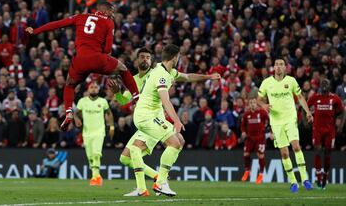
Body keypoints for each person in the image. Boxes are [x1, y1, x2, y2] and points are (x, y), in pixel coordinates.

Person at [109, 47, 220, 195]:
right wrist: (177, 120)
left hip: (149, 118)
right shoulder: (153, 76)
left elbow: (186, 77)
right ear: (175, 57)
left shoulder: (162, 71)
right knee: (176, 143)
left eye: (148, 57)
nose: (145, 60)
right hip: (148, 117)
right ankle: (161, 181)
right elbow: (164, 100)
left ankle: (144, 188)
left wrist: (208, 77)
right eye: (142, 57)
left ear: (152, 59)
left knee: (127, 156)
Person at [25, 1, 139, 130]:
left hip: (80, 61)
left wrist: (35, 31)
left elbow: (57, 24)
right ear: (104, 11)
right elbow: (108, 49)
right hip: (98, 59)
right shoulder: (108, 22)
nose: (113, 15)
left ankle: (68, 112)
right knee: (123, 69)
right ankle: (136, 96)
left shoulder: (80, 17)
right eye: (111, 11)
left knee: (69, 85)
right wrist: (104, 61)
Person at [257, 57, 313, 193]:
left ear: (285, 67)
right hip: (276, 121)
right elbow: (258, 99)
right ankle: (293, 181)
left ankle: (305, 178)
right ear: (274, 67)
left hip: (290, 118)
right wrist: (264, 105)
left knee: (296, 145)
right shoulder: (267, 83)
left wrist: (308, 112)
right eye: (276, 64)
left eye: (281, 64)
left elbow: (300, 97)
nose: (278, 67)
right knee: (284, 153)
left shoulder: (291, 81)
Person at [74, 81, 115, 186]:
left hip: (99, 132)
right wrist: (76, 119)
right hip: (87, 132)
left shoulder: (103, 101)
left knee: (97, 154)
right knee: (90, 156)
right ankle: (97, 176)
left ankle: (94, 177)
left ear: (98, 89)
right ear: (88, 89)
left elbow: (109, 113)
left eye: (96, 87)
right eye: (91, 87)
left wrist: (111, 127)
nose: (93, 89)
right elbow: (75, 113)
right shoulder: (82, 101)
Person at [307, 79, 345, 189]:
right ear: (319, 86)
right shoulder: (315, 97)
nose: (324, 85)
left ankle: (325, 175)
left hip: (330, 130)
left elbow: (343, 111)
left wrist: (341, 125)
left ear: (330, 86)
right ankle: (319, 177)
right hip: (317, 129)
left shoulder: (335, 98)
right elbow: (305, 106)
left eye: (326, 84)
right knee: (318, 151)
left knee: (328, 153)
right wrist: (308, 118)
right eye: (322, 83)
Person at [240, 98, 269, 184]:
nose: (253, 104)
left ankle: (261, 174)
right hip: (249, 138)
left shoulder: (262, 113)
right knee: (246, 154)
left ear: (257, 104)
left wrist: (271, 132)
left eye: (254, 102)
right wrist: (244, 132)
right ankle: (247, 170)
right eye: (251, 102)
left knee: (260, 155)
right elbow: (243, 126)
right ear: (249, 104)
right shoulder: (246, 114)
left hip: (260, 138)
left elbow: (270, 121)